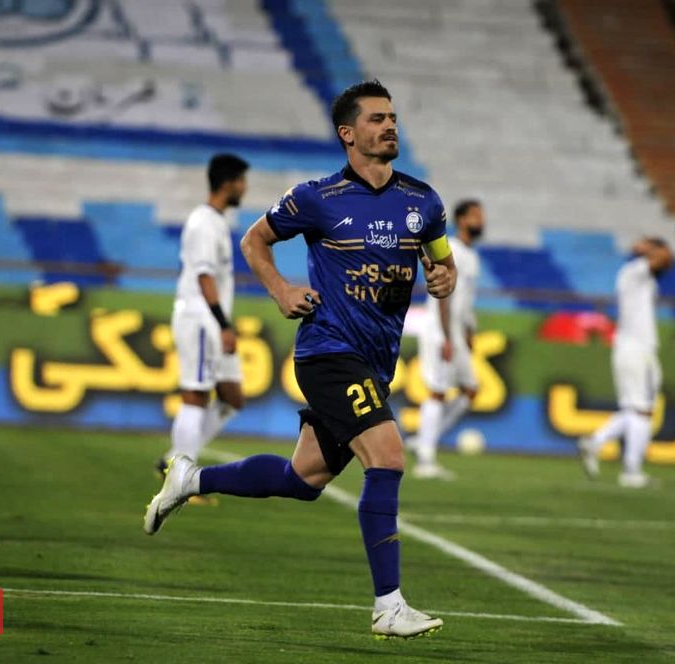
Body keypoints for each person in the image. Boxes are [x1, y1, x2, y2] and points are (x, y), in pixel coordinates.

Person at [144, 80, 457, 639]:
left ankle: (191, 478)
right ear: (348, 134)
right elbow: (254, 241)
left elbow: (443, 262)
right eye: (377, 119)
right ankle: (388, 606)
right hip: (328, 353)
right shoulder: (317, 198)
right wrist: (281, 289)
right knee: (387, 457)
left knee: (304, 477)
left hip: (375, 361)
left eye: (392, 117)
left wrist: (443, 277)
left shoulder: (423, 202)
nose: (390, 126)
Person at [156, 154, 249, 479]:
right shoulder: (202, 223)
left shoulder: (216, 222)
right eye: (241, 181)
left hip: (211, 320)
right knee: (195, 395)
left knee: (232, 397)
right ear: (228, 183)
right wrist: (223, 324)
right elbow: (204, 277)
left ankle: (172, 459)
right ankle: (180, 476)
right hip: (200, 318)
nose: (245, 188)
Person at [577, 237, 674, 488]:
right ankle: (631, 471)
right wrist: (650, 248)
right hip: (636, 349)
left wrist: (651, 248)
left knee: (635, 410)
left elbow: (665, 260)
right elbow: (665, 257)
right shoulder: (635, 271)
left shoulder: (642, 276)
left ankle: (595, 442)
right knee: (642, 410)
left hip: (632, 348)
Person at [411, 199, 484, 479]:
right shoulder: (450, 249)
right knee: (438, 391)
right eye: (475, 215)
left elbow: (465, 301)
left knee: (470, 390)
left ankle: (424, 440)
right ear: (461, 219)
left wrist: (469, 331)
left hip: (457, 330)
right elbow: (442, 294)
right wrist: (445, 336)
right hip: (439, 329)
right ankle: (425, 460)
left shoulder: (472, 256)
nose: (481, 221)